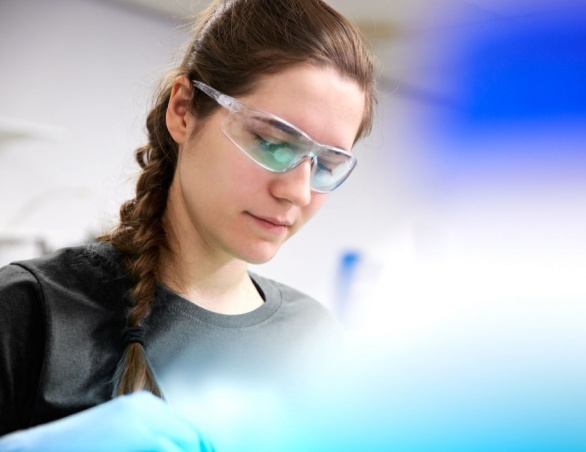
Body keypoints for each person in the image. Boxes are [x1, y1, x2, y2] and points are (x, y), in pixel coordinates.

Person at [0, 0, 376, 447]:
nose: (297, 191)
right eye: (273, 143)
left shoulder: (315, 340)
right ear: (183, 110)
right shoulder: (31, 311)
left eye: (327, 164)